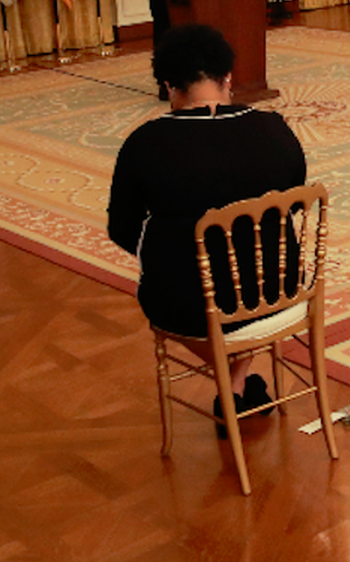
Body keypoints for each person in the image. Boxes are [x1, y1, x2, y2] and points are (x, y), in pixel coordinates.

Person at [107, 24, 308, 422]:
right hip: (276, 288)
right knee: (247, 263)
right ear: (228, 78)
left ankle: (231, 383)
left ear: (168, 85)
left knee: (195, 282)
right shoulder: (275, 130)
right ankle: (237, 381)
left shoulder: (145, 143)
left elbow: (123, 230)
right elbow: (293, 201)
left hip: (191, 302)